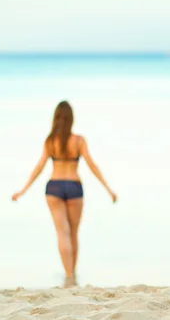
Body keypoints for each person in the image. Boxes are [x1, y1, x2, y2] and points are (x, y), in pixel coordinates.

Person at [12, 100, 117, 288]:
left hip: (54, 187)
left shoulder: (50, 141)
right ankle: (72, 275)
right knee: (74, 233)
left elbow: (39, 166)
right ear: (72, 119)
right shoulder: (78, 141)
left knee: (62, 233)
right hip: (74, 187)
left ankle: (68, 274)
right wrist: (108, 189)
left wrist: (23, 190)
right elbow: (92, 165)